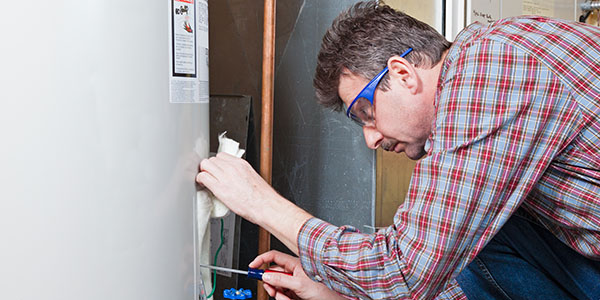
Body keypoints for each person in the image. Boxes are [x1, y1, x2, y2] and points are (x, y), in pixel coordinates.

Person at [197, 1, 600, 299]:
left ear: (403, 74)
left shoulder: (491, 69)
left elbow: (406, 268)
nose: (371, 138)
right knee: (468, 232)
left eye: (365, 113)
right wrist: (339, 295)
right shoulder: (493, 54)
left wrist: (263, 204)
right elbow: (450, 273)